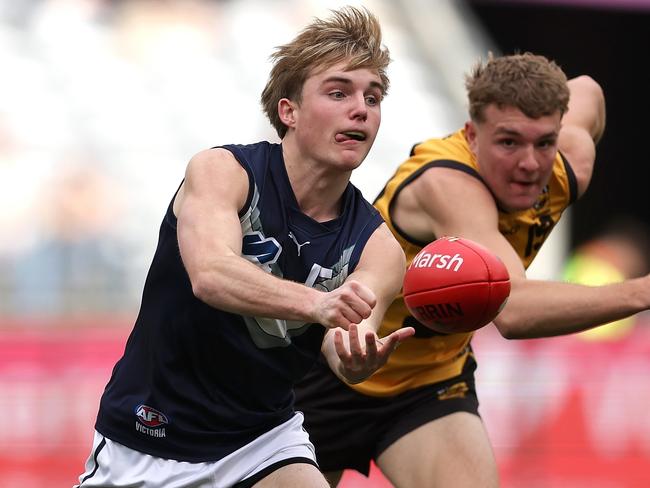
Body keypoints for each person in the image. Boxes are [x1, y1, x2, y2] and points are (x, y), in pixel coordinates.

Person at [74, 6, 414, 488]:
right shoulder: (223, 172)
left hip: (260, 440)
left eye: (373, 97)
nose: (361, 108)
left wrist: (357, 360)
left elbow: (345, 346)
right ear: (288, 111)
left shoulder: (378, 246)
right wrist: (319, 304)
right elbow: (211, 274)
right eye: (339, 93)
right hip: (149, 435)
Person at [292, 52, 650, 488]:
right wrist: (642, 292)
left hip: (427, 383)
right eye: (508, 142)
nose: (529, 164)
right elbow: (513, 311)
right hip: (327, 369)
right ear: (471, 136)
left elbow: (588, 89)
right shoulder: (446, 184)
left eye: (543, 142)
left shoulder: (570, 160)